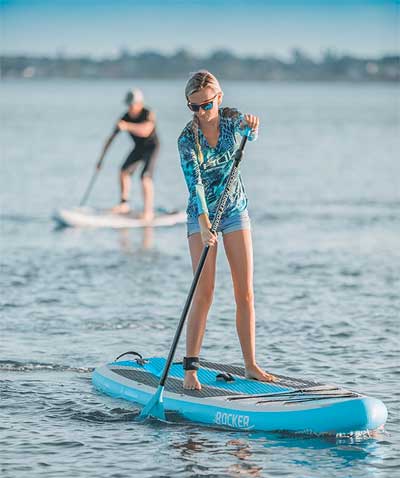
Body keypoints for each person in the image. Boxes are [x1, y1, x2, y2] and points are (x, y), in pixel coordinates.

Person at [178, 70, 276, 390]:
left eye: (206, 105)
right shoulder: (186, 140)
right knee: (204, 293)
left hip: (235, 210)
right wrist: (205, 225)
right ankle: (190, 369)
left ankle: (251, 365)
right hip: (201, 215)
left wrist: (254, 126)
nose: (201, 113)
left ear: (218, 98)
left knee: (245, 292)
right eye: (194, 107)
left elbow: (252, 133)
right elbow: (195, 186)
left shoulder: (232, 120)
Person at [97, 88, 159, 220]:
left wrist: (127, 126)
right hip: (138, 147)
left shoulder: (148, 113)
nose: (130, 108)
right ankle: (124, 204)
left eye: (133, 104)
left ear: (140, 103)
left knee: (145, 177)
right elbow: (110, 140)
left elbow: (146, 131)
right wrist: (100, 160)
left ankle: (148, 211)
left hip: (152, 147)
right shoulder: (125, 117)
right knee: (123, 172)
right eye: (129, 105)